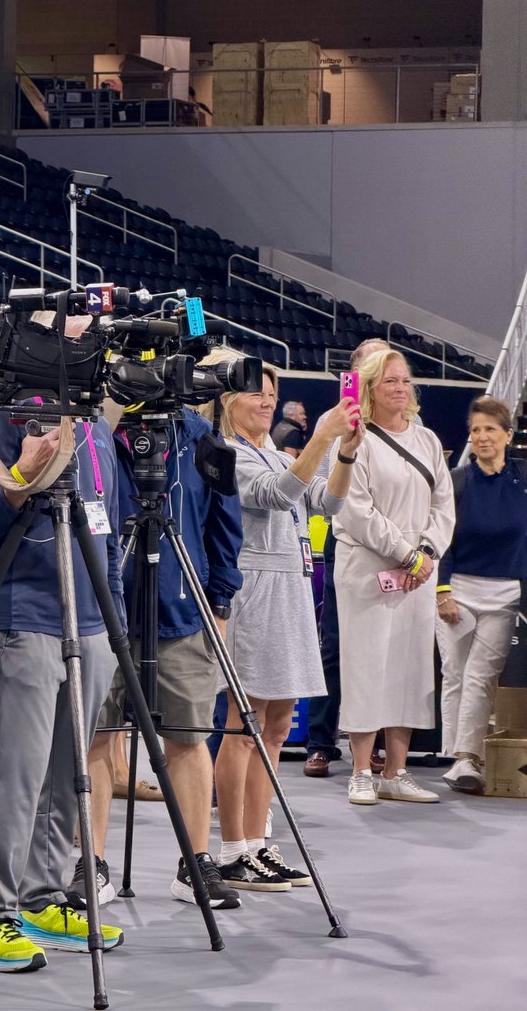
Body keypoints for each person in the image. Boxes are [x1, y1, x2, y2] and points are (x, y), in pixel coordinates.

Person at [0, 320, 126, 973]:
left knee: (67, 776)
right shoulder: (4, 416)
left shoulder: (98, 429)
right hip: (24, 616)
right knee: (18, 777)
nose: (88, 353)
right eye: (76, 338)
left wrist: (113, 626)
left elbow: (105, 531)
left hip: (90, 626)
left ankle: (45, 896)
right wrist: (19, 478)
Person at [77, 405, 244, 912]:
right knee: (99, 736)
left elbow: (223, 519)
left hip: (182, 613)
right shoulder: (92, 430)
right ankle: (92, 862)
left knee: (189, 740)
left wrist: (219, 600)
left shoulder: (195, 435)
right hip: (104, 610)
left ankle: (196, 864)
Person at [210, 358, 362, 888]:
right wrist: (321, 439)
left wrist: (344, 450)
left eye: (272, 392)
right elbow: (277, 495)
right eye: (256, 391)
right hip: (256, 589)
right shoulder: (227, 453)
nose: (267, 399)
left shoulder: (275, 452)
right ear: (228, 399)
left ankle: (258, 842)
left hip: (293, 589)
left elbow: (331, 501)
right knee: (243, 724)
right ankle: (232, 849)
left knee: (274, 728)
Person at [332, 349, 455, 806]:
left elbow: (444, 505)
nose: (400, 389)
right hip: (368, 565)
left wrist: (424, 554)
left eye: (404, 381)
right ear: (369, 388)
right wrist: (405, 553)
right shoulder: (354, 438)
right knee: (367, 665)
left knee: (409, 667)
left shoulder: (426, 440)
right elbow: (356, 509)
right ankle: (361, 769)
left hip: (419, 571)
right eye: (389, 382)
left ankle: (395, 770)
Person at [304, 338, 389, 778]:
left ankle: (376, 746)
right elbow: (319, 495)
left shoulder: (405, 425)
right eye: (370, 363)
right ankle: (321, 742)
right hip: (345, 544)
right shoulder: (331, 421)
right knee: (334, 647)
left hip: (393, 548)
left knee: (383, 652)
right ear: (355, 373)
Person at [435, 396, 527, 793]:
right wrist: (442, 592)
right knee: (455, 674)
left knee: (479, 675)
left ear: (508, 434)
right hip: (457, 590)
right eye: (476, 430)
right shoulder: (457, 482)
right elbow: (440, 542)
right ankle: (456, 757)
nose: (482, 436)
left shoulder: (523, 480)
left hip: (504, 594)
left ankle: (466, 758)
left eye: (490, 429)